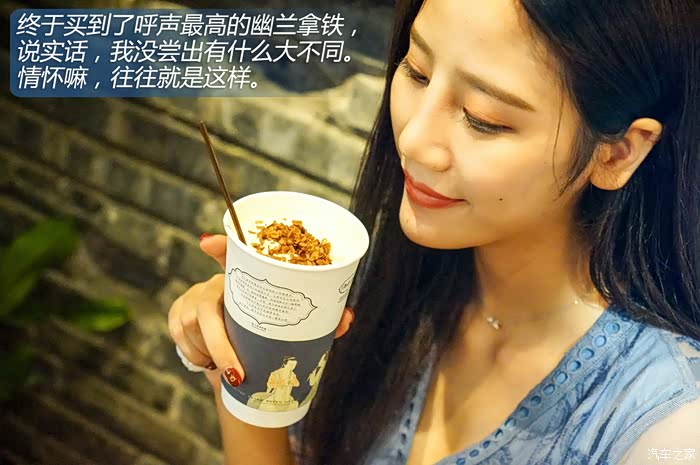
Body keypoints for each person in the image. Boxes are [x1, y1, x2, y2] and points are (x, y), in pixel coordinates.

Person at [167, 0, 700, 463]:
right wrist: (240, 371)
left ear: (616, 153)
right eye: (417, 72)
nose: (414, 141)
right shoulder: (383, 289)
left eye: (484, 118)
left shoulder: (662, 421)